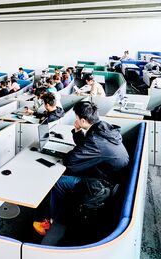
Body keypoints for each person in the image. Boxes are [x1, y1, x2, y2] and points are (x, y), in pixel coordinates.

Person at [33, 101, 129, 236]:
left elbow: (70, 161)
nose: (75, 120)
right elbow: (87, 147)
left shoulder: (96, 140)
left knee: (58, 182)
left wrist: (69, 154)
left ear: (83, 120)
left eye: (76, 118)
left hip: (101, 184)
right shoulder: (102, 128)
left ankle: (52, 222)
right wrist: (78, 132)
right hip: (110, 174)